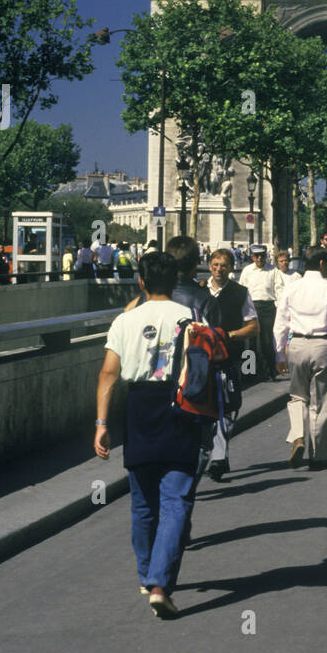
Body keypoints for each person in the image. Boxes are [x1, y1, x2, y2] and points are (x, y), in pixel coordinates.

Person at [93, 251, 213, 619]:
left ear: (141, 282)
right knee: (177, 499)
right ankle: (161, 584)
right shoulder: (191, 317)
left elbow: (109, 374)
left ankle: (146, 574)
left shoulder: (126, 320)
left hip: (140, 407)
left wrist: (101, 425)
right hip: (182, 407)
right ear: (176, 281)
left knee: (143, 502)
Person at [274, 246, 327, 470]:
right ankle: (318, 455)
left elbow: (280, 323)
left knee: (297, 396)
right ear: (323, 263)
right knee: (321, 401)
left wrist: (279, 353)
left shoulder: (291, 288)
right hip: (323, 344)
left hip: (296, 343)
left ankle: (298, 435)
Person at [206, 248, 259, 386]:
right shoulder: (199, 290)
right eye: (215, 265)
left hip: (230, 356)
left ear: (231, 268)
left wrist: (228, 335)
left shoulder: (241, 292)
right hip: (202, 356)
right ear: (209, 266)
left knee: (230, 401)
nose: (219, 269)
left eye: (224, 265)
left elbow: (253, 328)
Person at [238, 244, 280, 382]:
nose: (259, 258)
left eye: (262, 255)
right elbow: (242, 288)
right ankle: (249, 373)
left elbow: (279, 289)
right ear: (252, 256)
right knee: (249, 342)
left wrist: (279, 307)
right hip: (250, 306)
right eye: (256, 255)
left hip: (268, 307)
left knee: (267, 341)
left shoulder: (273, 270)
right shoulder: (247, 270)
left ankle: (269, 372)